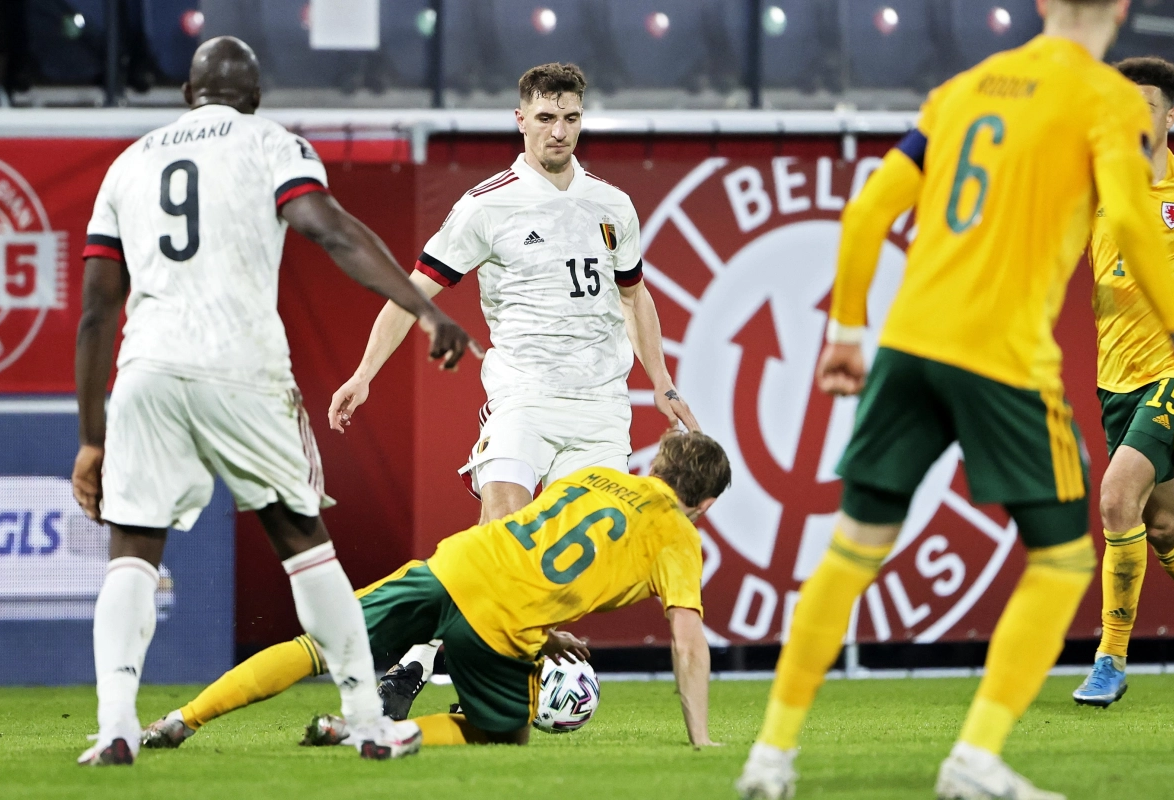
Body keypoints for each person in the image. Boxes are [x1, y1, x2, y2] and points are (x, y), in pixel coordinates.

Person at [735, 1, 1174, 799]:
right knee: (1064, 557)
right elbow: (1138, 220)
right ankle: (974, 759)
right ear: (1120, 10)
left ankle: (770, 757)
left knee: (850, 550)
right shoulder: (1105, 99)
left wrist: (845, 327)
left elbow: (871, 206)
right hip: (1002, 355)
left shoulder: (962, 89)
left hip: (907, 344)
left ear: (1041, 3)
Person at [72, 36, 476, 766]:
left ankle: (116, 727)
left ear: (187, 95)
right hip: (241, 366)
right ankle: (367, 721)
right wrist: (422, 309)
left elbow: (98, 311)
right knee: (302, 545)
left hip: (147, 370)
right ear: (253, 98)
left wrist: (92, 439)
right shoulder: (271, 144)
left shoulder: (128, 165)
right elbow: (329, 229)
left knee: (131, 553)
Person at [326, 62, 698, 715]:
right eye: (547, 118)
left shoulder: (613, 204)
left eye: (572, 118)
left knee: (568, 565)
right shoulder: (486, 205)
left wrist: (662, 384)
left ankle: (432, 661)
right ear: (520, 118)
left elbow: (635, 298)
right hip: (524, 391)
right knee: (500, 529)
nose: (560, 131)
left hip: (601, 403)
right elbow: (412, 292)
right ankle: (467, 665)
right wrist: (362, 374)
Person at [140, 431, 729, 751]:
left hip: (454, 564)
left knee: (320, 646)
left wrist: (546, 633)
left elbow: (526, 546)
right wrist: (699, 737)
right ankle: (388, 735)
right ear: (703, 504)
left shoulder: (594, 476)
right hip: (502, 617)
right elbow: (686, 640)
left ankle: (181, 720)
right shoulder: (678, 535)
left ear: (654, 463)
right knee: (504, 731)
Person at [1074, 56, 1174, 707]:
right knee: (1163, 526)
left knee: (1117, 500)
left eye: (1145, 103)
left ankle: (1109, 659)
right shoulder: (1093, 186)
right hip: (1117, 380)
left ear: (1171, 115)